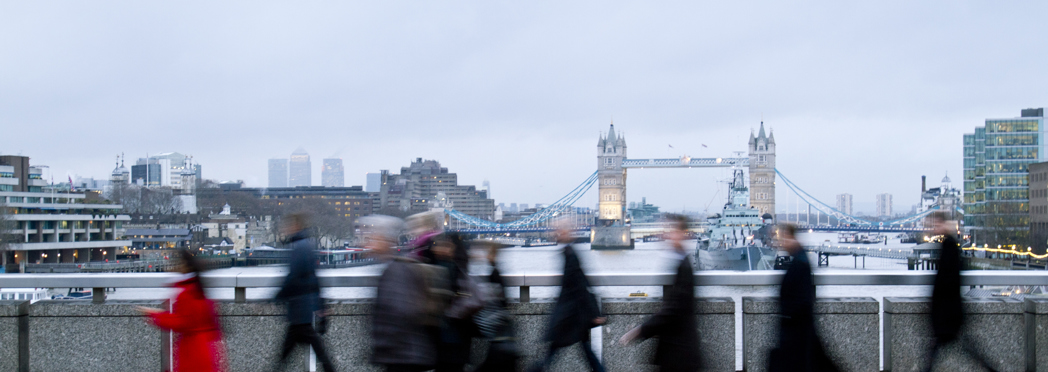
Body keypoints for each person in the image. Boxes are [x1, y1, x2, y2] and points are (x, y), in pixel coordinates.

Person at [619, 214, 701, 372]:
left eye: (673, 230)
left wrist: (640, 330)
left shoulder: (683, 266)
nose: (668, 234)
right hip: (677, 352)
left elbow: (673, 310)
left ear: (683, 233)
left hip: (679, 353)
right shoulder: (679, 261)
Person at [923, 212, 998, 372]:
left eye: (936, 224)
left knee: (942, 351)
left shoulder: (949, 246)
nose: (934, 228)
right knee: (965, 349)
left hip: (948, 313)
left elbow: (947, 281)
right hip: (950, 312)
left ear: (945, 224)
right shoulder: (949, 244)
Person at [529, 223, 606, 372]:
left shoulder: (571, 255)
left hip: (570, 315)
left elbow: (580, 286)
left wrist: (594, 313)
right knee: (585, 352)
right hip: (572, 315)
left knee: (556, 351)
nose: (558, 234)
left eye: (561, 232)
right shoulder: (569, 253)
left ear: (569, 234)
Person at [367, 215, 439, 372]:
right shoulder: (396, 265)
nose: (368, 243)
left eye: (373, 237)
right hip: (405, 354)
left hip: (403, 355)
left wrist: (383, 344)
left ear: (386, 240)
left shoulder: (395, 270)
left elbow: (402, 311)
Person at [137, 249, 226, 372]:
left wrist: (154, 315)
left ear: (185, 266)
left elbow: (182, 321)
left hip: (192, 350)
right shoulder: (198, 289)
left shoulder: (186, 292)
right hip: (204, 347)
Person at [769, 224, 838, 372]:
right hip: (798, 332)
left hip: (796, 333)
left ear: (793, 238)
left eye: (785, 238)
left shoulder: (801, 263)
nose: (782, 242)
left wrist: (788, 316)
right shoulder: (799, 260)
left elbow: (803, 299)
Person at [273, 213, 336, 372]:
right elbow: (314, 279)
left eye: (288, 226)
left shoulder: (299, 247)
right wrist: (321, 306)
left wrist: (277, 297)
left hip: (299, 309)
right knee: (316, 350)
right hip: (305, 307)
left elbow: (293, 278)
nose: (286, 229)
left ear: (295, 226)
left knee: (286, 354)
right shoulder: (307, 245)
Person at [475, 242, 519, 372]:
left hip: (498, 328)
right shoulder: (496, 272)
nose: (485, 256)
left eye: (488, 253)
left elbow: (496, 300)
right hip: (501, 329)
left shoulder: (494, 273)